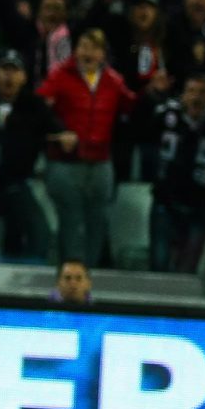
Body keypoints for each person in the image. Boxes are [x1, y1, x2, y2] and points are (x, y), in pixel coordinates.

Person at [37, 29, 138, 268]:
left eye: (94, 48)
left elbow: (132, 108)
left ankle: (89, 277)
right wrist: (59, 131)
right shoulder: (60, 76)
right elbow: (38, 107)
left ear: (103, 54)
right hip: (66, 162)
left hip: (101, 161)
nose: (87, 53)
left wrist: (154, 93)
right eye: (83, 46)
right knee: (71, 221)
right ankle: (68, 277)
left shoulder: (114, 81)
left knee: (97, 221)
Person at [0, 50, 74, 261]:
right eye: (4, 70)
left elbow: (54, 125)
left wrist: (64, 134)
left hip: (16, 183)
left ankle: (26, 279)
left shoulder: (33, 104)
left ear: (23, 77)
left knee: (38, 232)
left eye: (14, 71)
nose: (9, 77)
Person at [147, 73, 205, 273]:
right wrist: (154, 94)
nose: (196, 98)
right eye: (191, 91)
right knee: (159, 264)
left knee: (187, 271)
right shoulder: (166, 115)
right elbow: (139, 128)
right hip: (165, 201)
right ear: (182, 95)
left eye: (202, 92)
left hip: (200, 206)